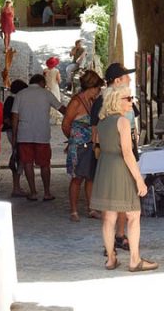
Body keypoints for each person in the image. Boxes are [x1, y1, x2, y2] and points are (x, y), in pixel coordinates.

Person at [90, 85, 157, 272]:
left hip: (105, 167)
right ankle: (135, 259)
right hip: (120, 167)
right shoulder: (123, 122)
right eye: (128, 98)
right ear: (116, 100)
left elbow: (100, 145)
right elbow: (127, 153)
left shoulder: (102, 121)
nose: (131, 101)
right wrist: (139, 179)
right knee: (133, 215)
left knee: (109, 216)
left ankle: (111, 258)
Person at [90, 62, 136, 251]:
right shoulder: (103, 102)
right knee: (113, 203)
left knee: (123, 200)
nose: (130, 80)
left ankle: (119, 235)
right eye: (126, 77)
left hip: (120, 153)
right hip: (113, 156)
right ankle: (113, 244)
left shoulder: (123, 98)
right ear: (117, 80)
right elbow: (96, 131)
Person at [11, 74, 66, 201]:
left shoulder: (20, 94)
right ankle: (47, 192)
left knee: (28, 163)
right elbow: (62, 108)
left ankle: (33, 192)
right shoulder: (46, 94)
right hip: (42, 134)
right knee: (45, 164)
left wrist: (14, 135)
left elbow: (15, 116)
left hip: (24, 135)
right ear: (41, 82)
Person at [61, 70, 104, 222]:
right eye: (98, 89)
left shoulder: (92, 102)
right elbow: (65, 124)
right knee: (77, 178)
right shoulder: (76, 102)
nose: (98, 92)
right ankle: (73, 210)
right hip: (78, 146)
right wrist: (73, 139)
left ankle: (91, 208)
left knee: (90, 177)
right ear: (91, 87)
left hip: (91, 144)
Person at [3, 79, 28, 197]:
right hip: (14, 132)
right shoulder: (13, 101)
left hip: (13, 131)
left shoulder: (10, 100)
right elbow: (7, 118)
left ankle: (17, 186)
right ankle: (16, 187)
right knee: (19, 157)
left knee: (19, 157)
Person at [43, 56, 62, 124]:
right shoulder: (56, 71)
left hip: (47, 88)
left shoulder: (45, 70)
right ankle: (57, 120)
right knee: (56, 102)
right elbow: (59, 81)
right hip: (54, 88)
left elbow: (44, 79)